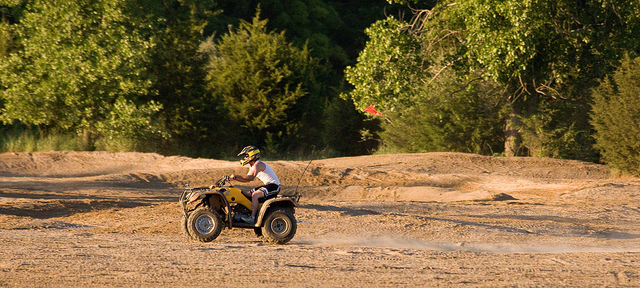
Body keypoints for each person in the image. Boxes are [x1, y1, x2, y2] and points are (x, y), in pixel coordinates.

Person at [229, 145, 280, 224]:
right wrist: (235, 178)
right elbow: (247, 180)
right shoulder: (252, 166)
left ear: (252, 156)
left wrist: (236, 176)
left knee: (255, 195)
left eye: (246, 156)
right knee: (247, 194)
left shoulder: (258, 164)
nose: (245, 158)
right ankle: (243, 213)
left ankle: (252, 217)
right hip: (267, 185)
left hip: (273, 186)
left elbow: (251, 177)